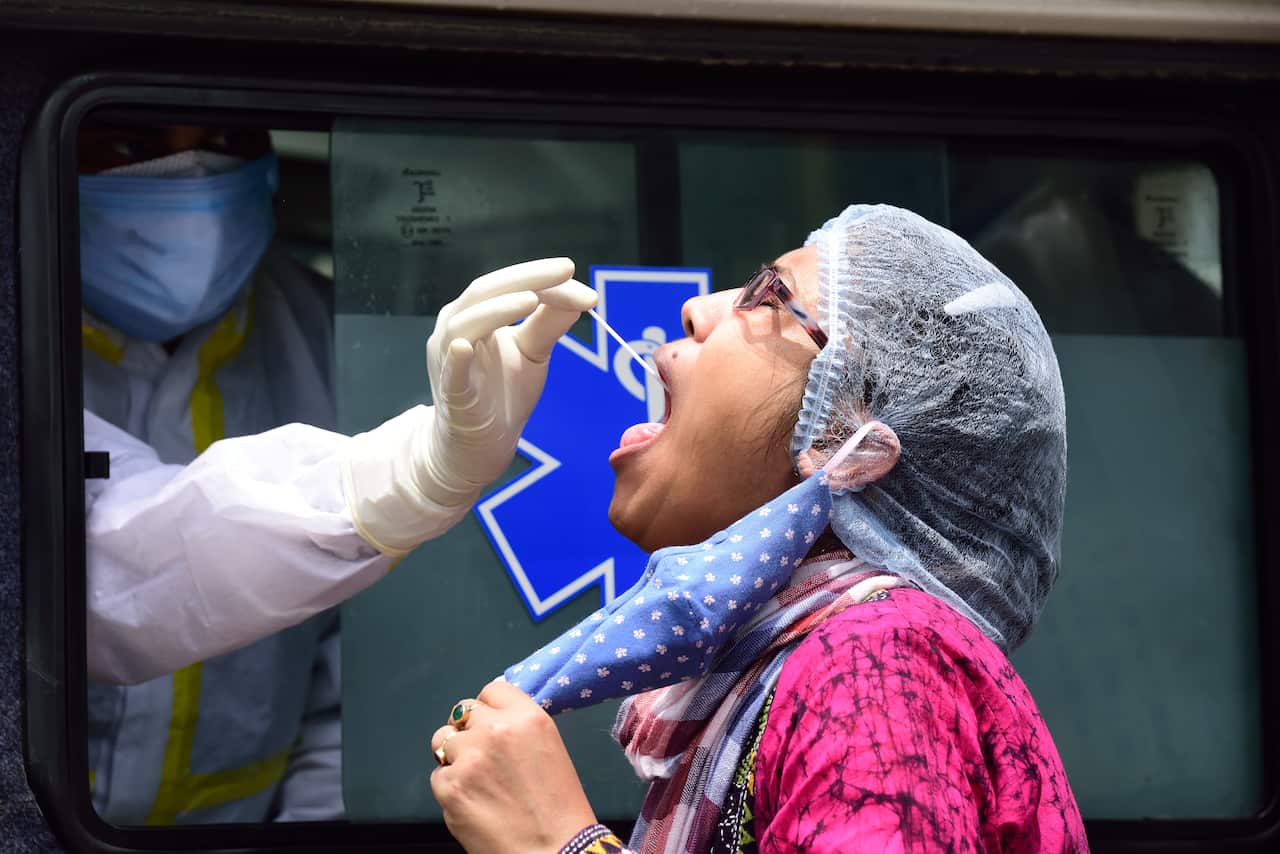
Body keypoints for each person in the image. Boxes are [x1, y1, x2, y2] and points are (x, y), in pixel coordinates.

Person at [428, 205, 1088, 853]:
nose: (699, 309)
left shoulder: (873, 660)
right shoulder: (813, 660)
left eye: (768, 296)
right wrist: (421, 474)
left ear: (845, 440)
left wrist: (558, 844)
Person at [79, 123, 594, 823]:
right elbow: (108, 563)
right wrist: (413, 476)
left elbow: (359, 669)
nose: (194, 172)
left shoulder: (332, 334)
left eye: (224, 137)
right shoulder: (27, 327)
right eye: (134, 146)